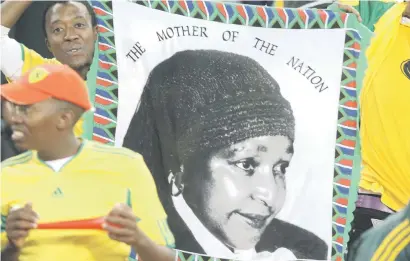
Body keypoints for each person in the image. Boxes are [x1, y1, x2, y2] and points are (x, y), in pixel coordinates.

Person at [123, 50, 328, 260]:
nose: (269, 195)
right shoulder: (138, 244)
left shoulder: (304, 249)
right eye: (246, 164)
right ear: (179, 169)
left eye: (281, 167)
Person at [0, 64, 176, 261]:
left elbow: (166, 258)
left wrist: (138, 238)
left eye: (26, 109)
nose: (14, 118)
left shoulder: (126, 165)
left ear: (64, 119)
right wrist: (12, 245)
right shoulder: (5, 174)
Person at [1, 0, 98, 143]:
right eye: (58, 29)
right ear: (48, 45)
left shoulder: (123, 72)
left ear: (95, 32)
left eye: (79, 25)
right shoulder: (42, 75)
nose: (70, 36)